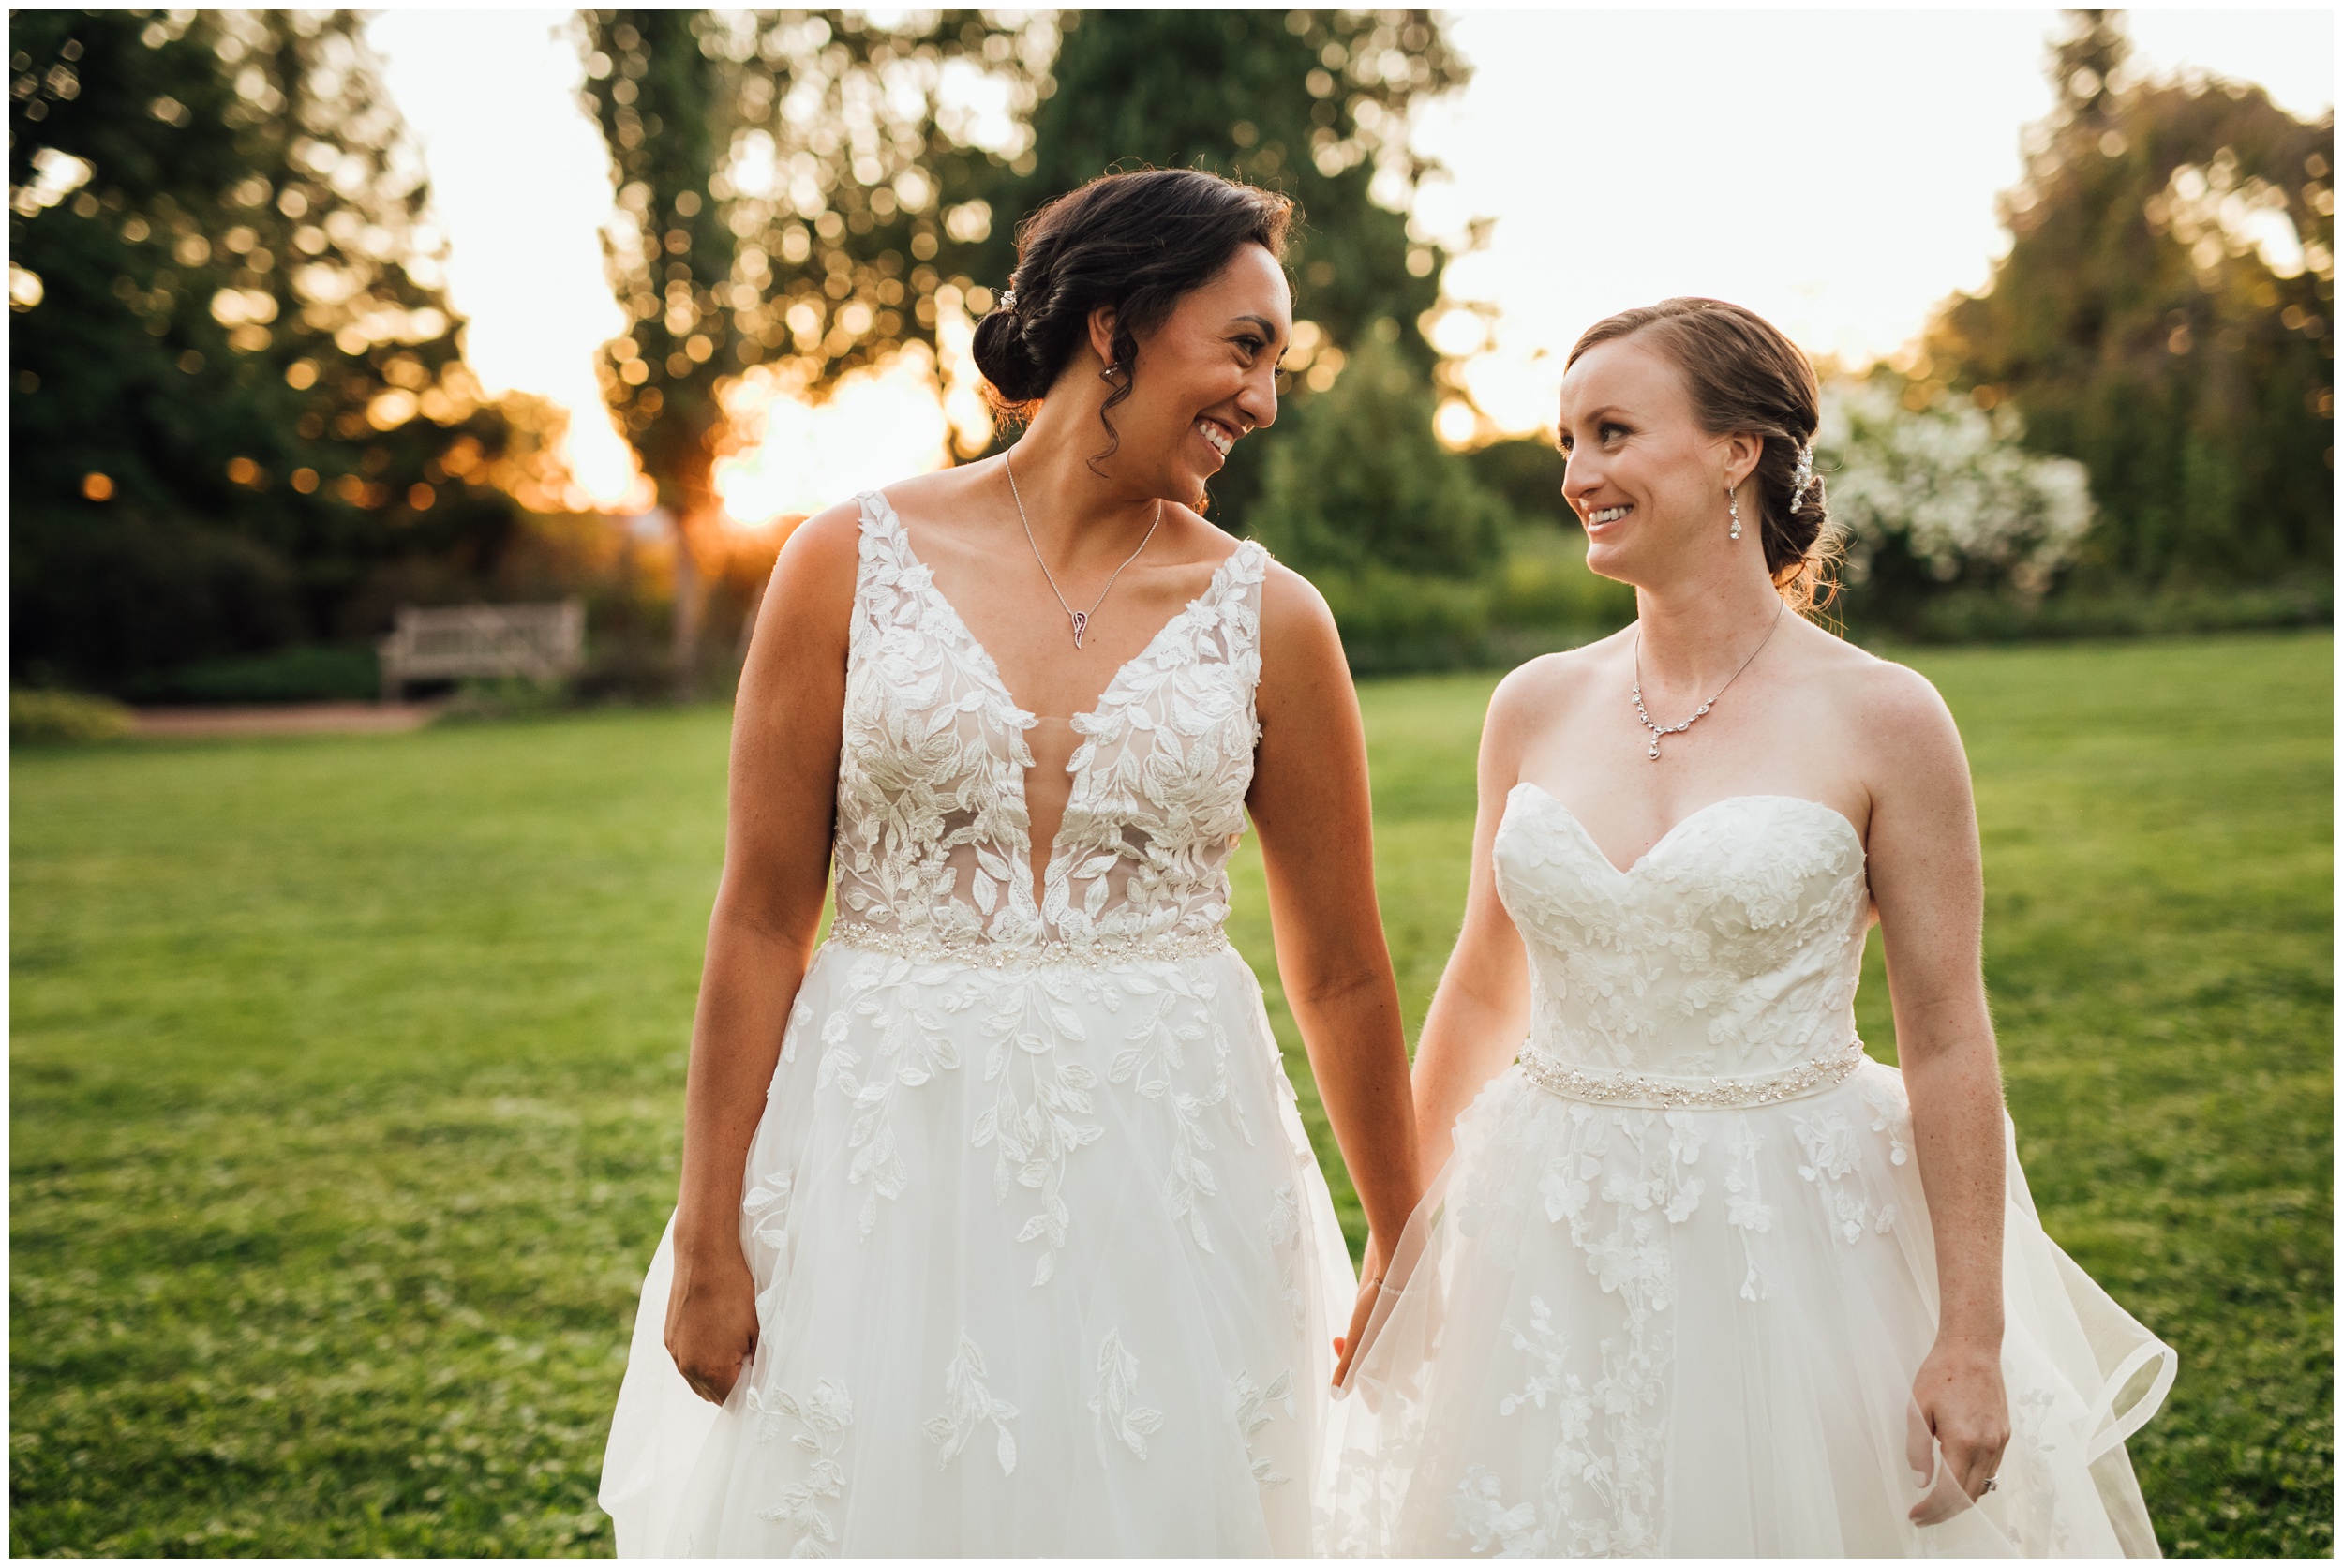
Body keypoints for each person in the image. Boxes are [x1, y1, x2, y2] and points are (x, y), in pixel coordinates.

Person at [597, 167, 1422, 1557]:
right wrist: (707, 1232)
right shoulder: (842, 560)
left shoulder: (1276, 618)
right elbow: (755, 920)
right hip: (883, 1160)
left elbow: (1340, 968)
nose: (1266, 400)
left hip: (1173, 1167)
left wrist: (1400, 1235)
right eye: (1245, 346)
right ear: (1114, 326)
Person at [1329, 298, 2174, 1557]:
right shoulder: (1532, 703)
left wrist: (1971, 1334)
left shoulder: (1887, 718)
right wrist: (1396, 1247)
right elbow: (1482, 978)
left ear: (1738, 450)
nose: (1577, 475)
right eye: (1568, 440)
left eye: (1613, 432)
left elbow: (1946, 1039)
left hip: (1789, 1237)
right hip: (1546, 1231)